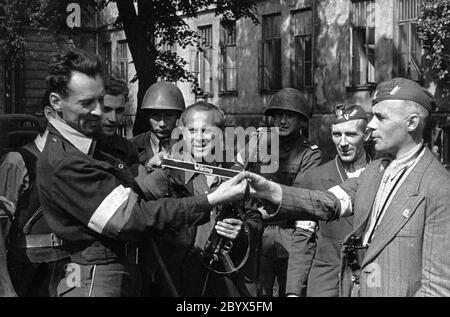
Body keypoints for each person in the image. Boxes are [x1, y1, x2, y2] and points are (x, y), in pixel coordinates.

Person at [37, 48, 247, 297]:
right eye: (86, 103)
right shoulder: (68, 161)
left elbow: (130, 195)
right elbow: (133, 218)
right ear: (56, 102)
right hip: (97, 278)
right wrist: (211, 199)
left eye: (99, 101)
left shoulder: (85, 148)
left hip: (121, 271)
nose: (97, 112)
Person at [244, 77, 450, 296]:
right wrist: (269, 190)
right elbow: (328, 202)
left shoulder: (438, 187)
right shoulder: (376, 171)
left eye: (380, 118)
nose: (370, 126)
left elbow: (437, 287)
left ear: (412, 123)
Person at [143, 102, 263, 297]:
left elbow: (255, 220)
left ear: (222, 133)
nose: (198, 138)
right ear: (182, 132)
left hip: (225, 280)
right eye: (192, 131)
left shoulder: (235, 174)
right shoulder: (167, 173)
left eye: (206, 131)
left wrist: (242, 230)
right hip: (177, 280)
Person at [286, 104, 369, 297]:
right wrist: (293, 291)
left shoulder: (382, 174)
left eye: (351, 134)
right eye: (337, 135)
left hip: (369, 279)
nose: (343, 143)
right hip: (326, 280)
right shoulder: (315, 178)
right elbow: (303, 238)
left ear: (366, 135)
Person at [0, 94, 69, 297]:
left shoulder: (73, 161)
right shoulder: (17, 161)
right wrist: (5, 287)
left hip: (65, 265)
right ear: (50, 114)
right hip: (27, 268)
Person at [256, 88, 321, 297]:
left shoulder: (310, 154)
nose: (282, 121)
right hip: (259, 234)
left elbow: (300, 199)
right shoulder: (259, 147)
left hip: (292, 237)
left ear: (302, 120)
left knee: (292, 291)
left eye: (290, 116)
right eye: (278, 115)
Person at [130, 81, 185, 169]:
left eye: (169, 115)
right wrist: (147, 166)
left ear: (178, 115)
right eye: (156, 115)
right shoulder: (131, 147)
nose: (162, 123)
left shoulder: (191, 145)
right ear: (147, 115)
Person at [96, 77, 139, 174]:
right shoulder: (80, 145)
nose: (113, 118)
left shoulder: (128, 149)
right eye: (106, 109)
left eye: (119, 111)